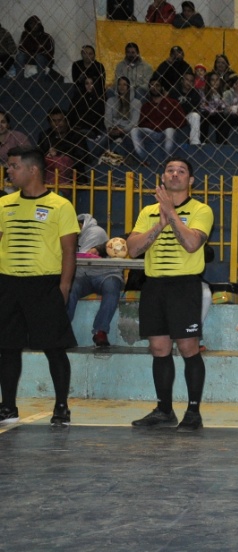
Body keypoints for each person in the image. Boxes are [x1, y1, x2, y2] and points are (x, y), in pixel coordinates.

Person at [126, 157, 214, 432]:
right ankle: (164, 410)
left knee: (188, 348)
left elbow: (190, 244)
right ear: (162, 177)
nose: (175, 174)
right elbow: (132, 249)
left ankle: (193, 412)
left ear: (190, 181)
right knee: (159, 349)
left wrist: (172, 214)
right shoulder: (148, 211)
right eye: (169, 170)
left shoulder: (202, 210)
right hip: (154, 286)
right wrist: (159, 223)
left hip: (184, 286)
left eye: (182, 171)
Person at [0, 146, 79, 427]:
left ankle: (61, 407)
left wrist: (64, 287)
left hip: (45, 286)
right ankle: (7, 407)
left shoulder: (61, 205)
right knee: (7, 348)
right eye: (8, 166)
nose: (9, 170)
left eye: (13, 166)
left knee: (54, 348)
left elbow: (69, 251)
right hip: (8, 285)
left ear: (33, 170)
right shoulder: (4, 204)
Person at [67, 214, 124, 348]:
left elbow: (83, 261)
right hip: (84, 276)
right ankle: (63, 329)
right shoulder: (68, 235)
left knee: (112, 287)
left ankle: (101, 331)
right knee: (70, 289)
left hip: (106, 273)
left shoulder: (95, 232)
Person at [131, 79, 186, 163]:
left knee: (169, 130)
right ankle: (145, 160)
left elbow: (182, 120)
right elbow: (141, 123)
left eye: (157, 85)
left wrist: (166, 125)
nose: (154, 88)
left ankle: (168, 161)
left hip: (168, 133)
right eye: (152, 85)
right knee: (134, 130)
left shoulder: (172, 103)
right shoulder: (146, 106)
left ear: (162, 88)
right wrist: (154, 126)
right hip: (152, 133)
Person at [37, 108, 91, 183]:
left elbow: (83, 158)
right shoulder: (44, 135)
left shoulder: (77, 135)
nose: (57, 124)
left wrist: (59, 156)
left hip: (73, 178)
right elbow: (39, 156)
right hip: (49, 176)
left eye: (60, 120)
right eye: (54, 121)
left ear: (67, 121)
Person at [104, 76, 142, 155]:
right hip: (113, 129)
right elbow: (107, 118)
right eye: (119, 84)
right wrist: (110, 128)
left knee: (127, 139)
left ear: (128, 87)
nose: (121, 87)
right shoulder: (110, 100)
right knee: (104, 138)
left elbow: (134, 122)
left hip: (128, 131)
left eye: (124, 85)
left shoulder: (136, 103)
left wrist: (123, 130)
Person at [169, 70, 202, 146]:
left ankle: (195, 143)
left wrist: (182, 108)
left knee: (195, 116)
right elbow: (170, 106)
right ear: (182, 80)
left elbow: (194, 108)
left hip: (187, 116)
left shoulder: (195, 93)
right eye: (186, 79)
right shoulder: (174, 91)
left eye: (191, 81)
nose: (188, 82)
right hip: (174, 116)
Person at [68, 76, 106, 142]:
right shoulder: (78, 98)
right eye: (87, 83)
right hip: (78, 128)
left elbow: (101, 118)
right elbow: (71, 114)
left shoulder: (100, 99)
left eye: (91, 83)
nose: (89, 86)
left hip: (94, 131)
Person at [199, 72, 227, 143]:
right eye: (212, 80)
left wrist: (216, 95)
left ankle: (220, 143)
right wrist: (215, 110)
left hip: (216, 115)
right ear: (209, 81)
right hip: (207, 115)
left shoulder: (222, 93)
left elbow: (223, 106)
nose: (215, 82)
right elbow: (203, 106)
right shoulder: (203, 92)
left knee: (221, 116)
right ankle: (203, 141)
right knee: (204, 114)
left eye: (217, 80)